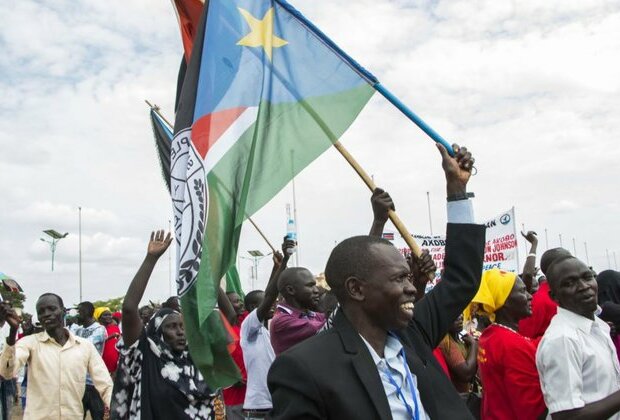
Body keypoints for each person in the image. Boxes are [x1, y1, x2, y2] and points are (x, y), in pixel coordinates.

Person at [268, 143, 485, 419]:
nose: (411, 288)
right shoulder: (304, 369)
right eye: (399, 279)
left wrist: (456, 190)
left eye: (408, 277)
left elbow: (460, 280)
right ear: (357, 289)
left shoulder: (413, 333)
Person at [110, 230, 224, 419]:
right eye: (171, 327)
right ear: (157, 334)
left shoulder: (194, 359)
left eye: (182, 326)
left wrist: (208, 272)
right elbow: (129, 308)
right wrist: (151, 259)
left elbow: (229, 317)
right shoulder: (146, 356)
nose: (180, 332)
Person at [0, 294, 112, 419]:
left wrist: (115, 407)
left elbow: (105, 384)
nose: (46, 314)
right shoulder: (29, 344)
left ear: (63, 311)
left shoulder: (84, 347)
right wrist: (12, 332)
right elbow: (6, 373)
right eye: (41, 312)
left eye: (52, 309)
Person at [536, 256, 620, 420]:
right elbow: (567, 416)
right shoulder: (562, 340)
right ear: (554, 296)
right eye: (569, 283)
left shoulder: (599, 325)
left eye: (587, 277)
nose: (583, 286)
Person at [466, 269, 546, 420]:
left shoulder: (491, 334)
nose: (530, 296)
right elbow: (532, 412)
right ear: (505, 301)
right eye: (522, 291)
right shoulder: (512, 345)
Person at [240, 239, 293, 419]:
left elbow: (270, 294)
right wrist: (285, 261)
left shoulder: (266, 329)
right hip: (258, 408)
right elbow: (269, 296)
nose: (273, 304)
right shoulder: (248, 329)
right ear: (250, 309)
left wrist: (277, 268)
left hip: (278, 403)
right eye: (262, 304)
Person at [269, 265, 325, 355]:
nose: (316, 290)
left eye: (315, 285)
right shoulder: (281, 320)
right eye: (310, 286)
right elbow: (326, 327)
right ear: (291, 290)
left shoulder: (311, 314)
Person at [518, 247, 572, 339]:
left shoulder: (572, 295)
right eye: (569, 262)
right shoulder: (539, 301)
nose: (575, 265)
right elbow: (523, 339)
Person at [72, 301, 108, 420]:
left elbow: (86, 345)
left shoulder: (99, 329)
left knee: (97, 415)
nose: (77, 315)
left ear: (87, 312)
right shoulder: (79, 329)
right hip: (79, 381)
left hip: (94, 382)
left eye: (80, 312)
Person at [437, 314, 479, 395]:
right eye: (454, 313)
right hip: (457, 397)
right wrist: (473, 345)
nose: (460, 317)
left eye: (461, 312)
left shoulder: (460, 338)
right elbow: (466, 374)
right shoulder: (445, 340)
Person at [96, 307, 121, 376]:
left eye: (110, 315)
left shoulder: (115, 327)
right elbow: (94, 343)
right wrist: (110, 337)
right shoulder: (96, 329)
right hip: (101, 363)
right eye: (105, 315)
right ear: (99, 317)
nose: (109, 317)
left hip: (115, 364)